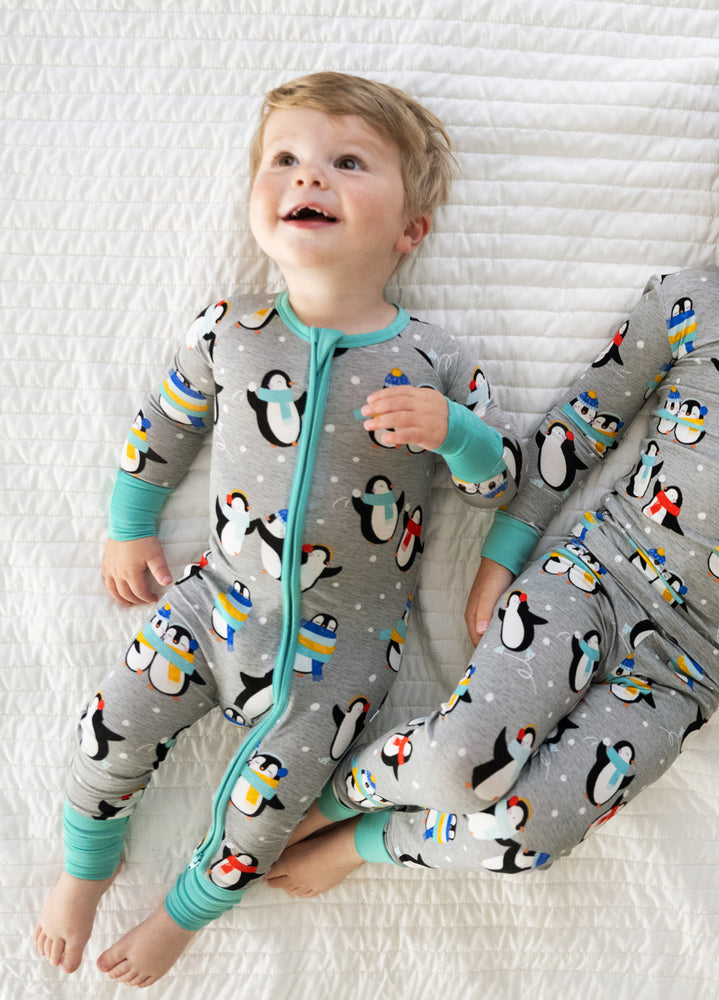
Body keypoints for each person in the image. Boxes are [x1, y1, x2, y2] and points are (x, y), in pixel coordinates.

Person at [264, 29, 719, 897]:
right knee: (460, 762)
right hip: (595, 579)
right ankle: (337, 799)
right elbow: (579, 426)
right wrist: (506, 554)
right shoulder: (695, 302)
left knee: (531, 833)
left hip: (700, 663)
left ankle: (366, 846)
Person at [33, 71, 520, 987]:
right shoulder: (233, 328)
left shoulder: (436, 359)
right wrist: (129, 524)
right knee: (112, 727)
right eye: (286, 160)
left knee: (267, 811)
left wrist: (453, 432)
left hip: (338, 661)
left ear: (410, 230)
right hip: (215, 606)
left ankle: (185, 915)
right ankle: (82, 872)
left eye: (346, 163)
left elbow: (503, 483)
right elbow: (164, 424)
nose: (309, 179)